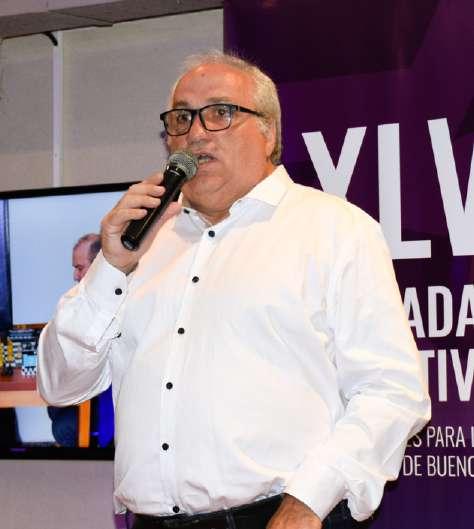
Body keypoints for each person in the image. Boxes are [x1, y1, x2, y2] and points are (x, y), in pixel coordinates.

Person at [37, 51, 430, 529]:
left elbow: (392, 391)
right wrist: (110, 266)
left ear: (269, 132)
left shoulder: (334, 229)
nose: (195, 133)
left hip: (281, 517)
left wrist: (309, 501)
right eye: (181, 118)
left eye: (220, 113)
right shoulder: (144, 242)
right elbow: (60, 384)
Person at [47, 233, 101, 447]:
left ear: (98, 265)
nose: (75, 276)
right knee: (54, 405)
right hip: (86, 387)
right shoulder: (83, 300)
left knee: (63, 427)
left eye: (79, 268)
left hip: (108, 399)